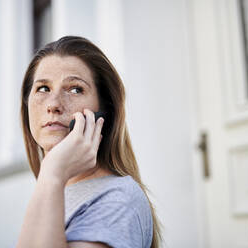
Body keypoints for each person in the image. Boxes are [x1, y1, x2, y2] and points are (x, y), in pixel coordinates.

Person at [17, 36, 161, 248]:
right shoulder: (54, 189)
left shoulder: (118, 199)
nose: (54, 105)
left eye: (75, 89)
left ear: (104, 112)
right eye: (43, 89)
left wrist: (52, 172)